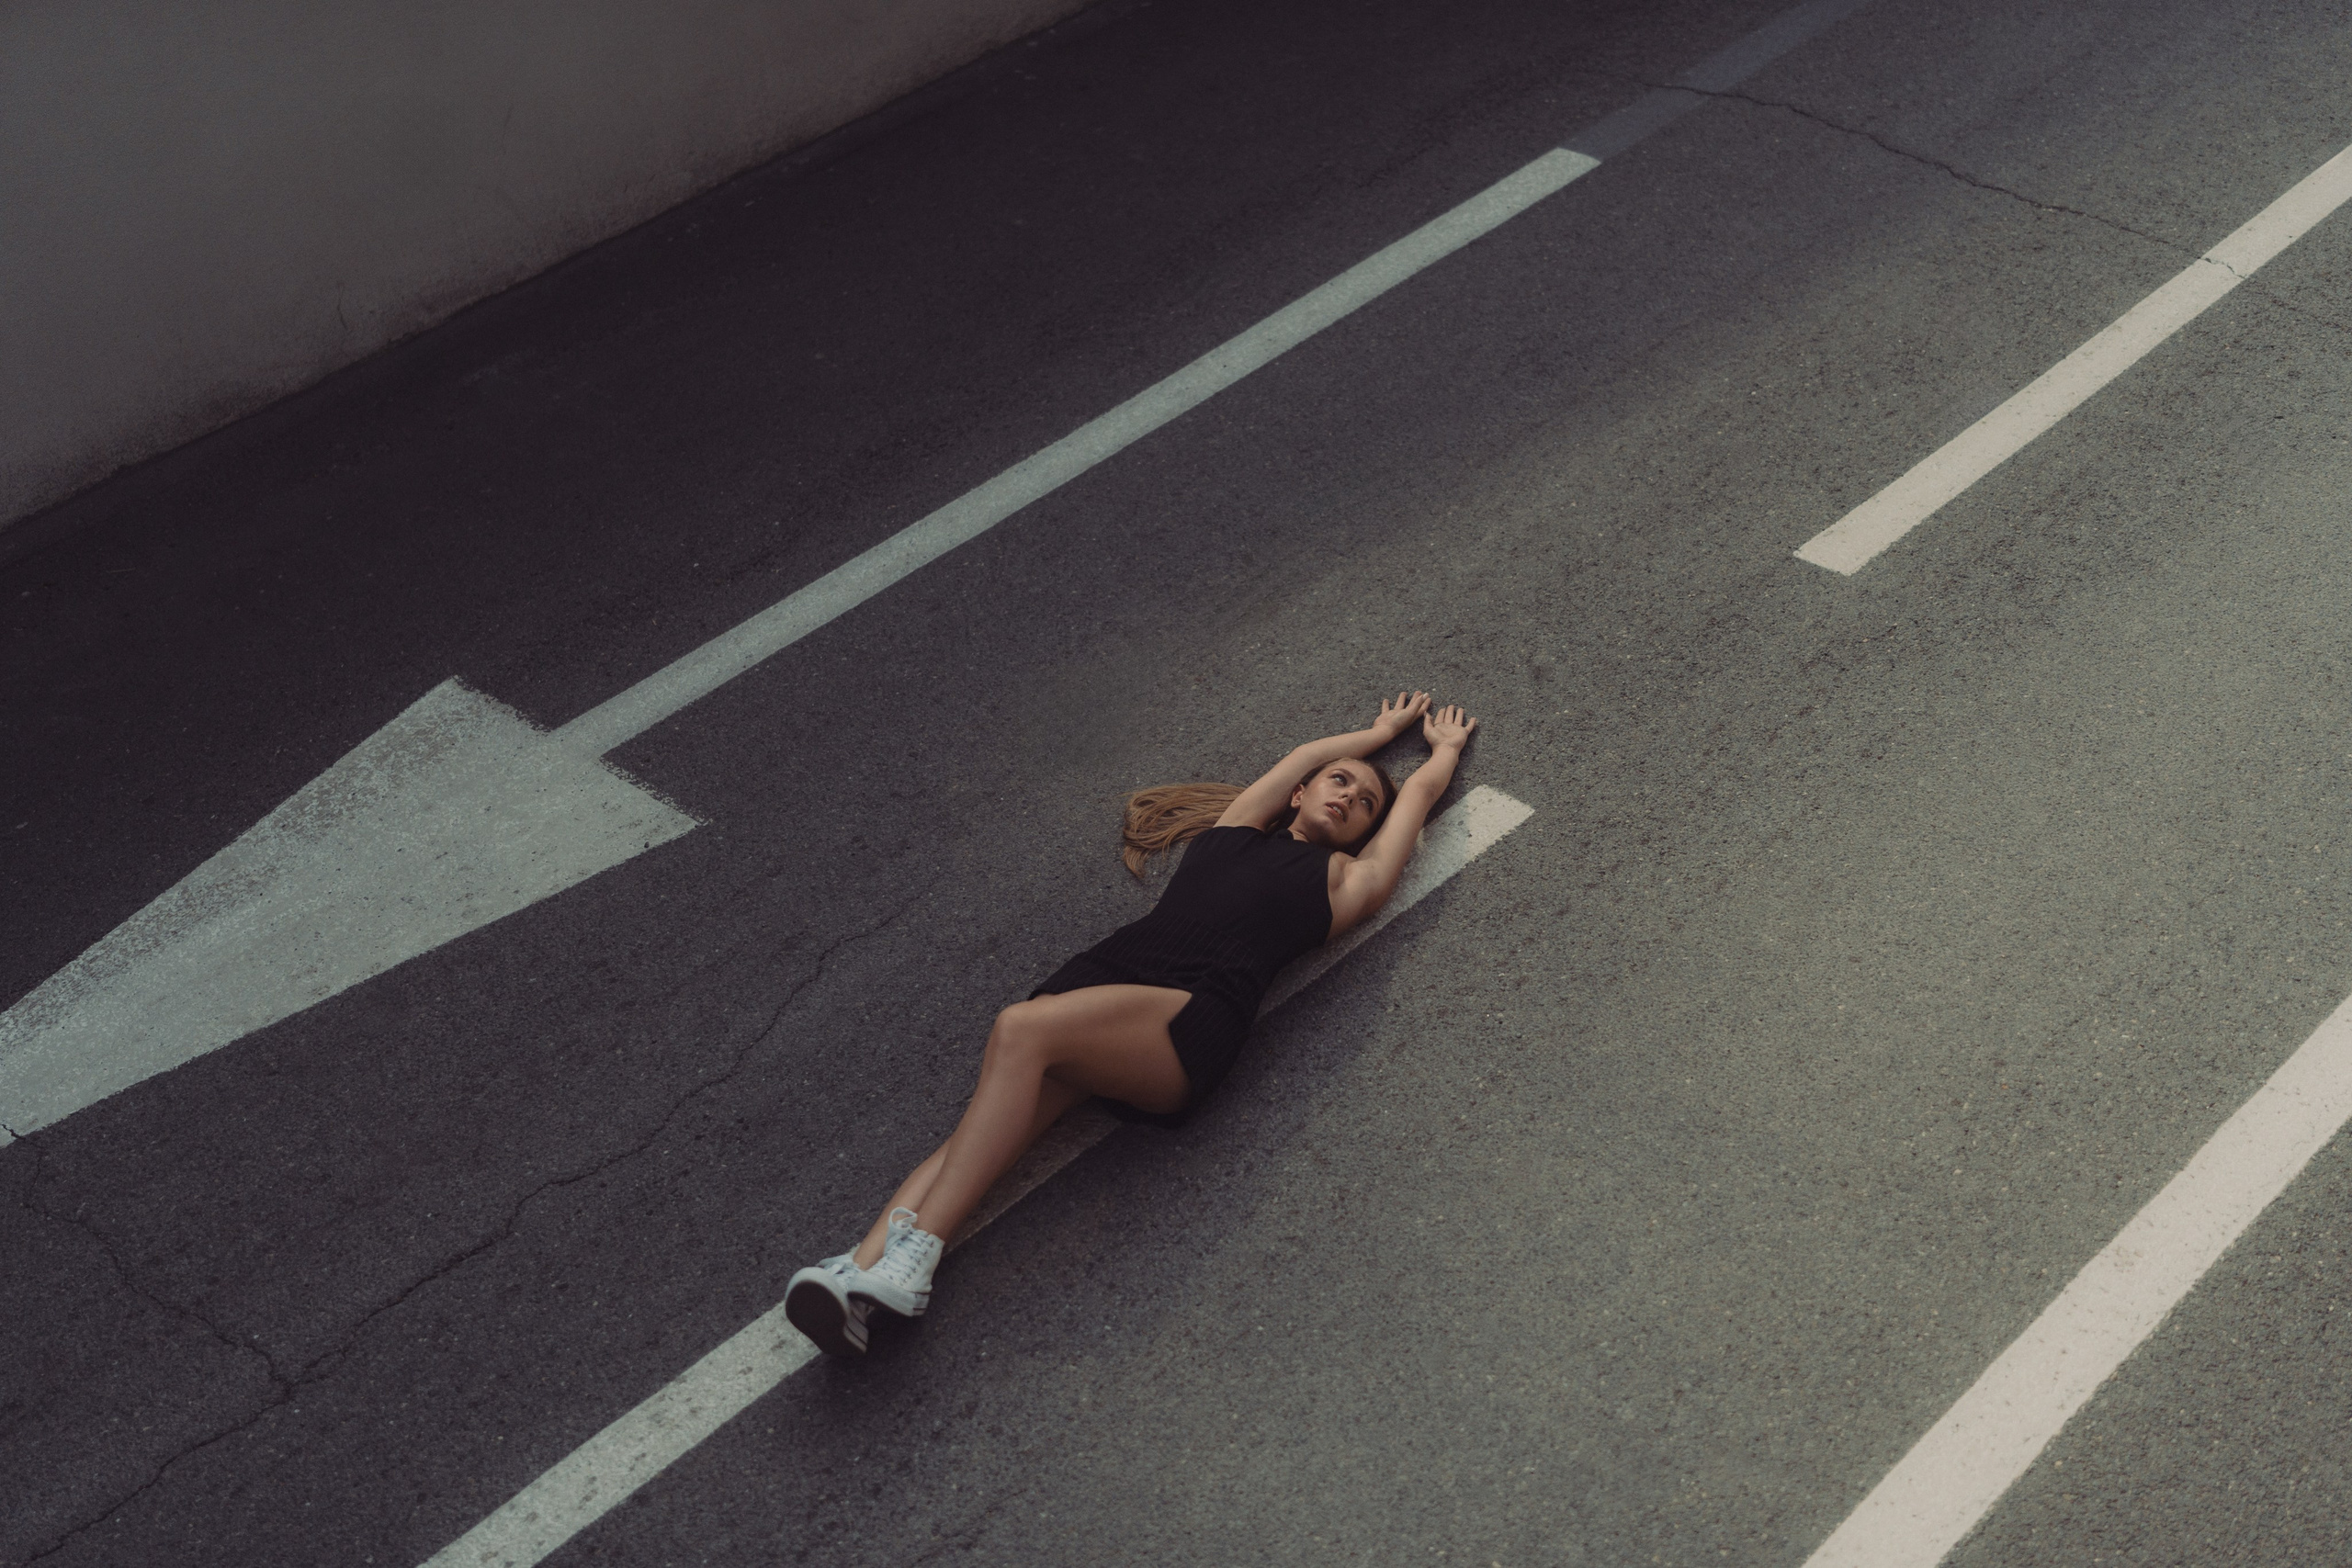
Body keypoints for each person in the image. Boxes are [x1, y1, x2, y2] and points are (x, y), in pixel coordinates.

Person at [785, 692, 1479, 1355]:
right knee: (969, 1139)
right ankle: (855, 1279)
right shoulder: (1233, 827)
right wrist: (1376, 737)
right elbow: (1303, 752)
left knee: (1021, 1029)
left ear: (1366, 831)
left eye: (1363, 804)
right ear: (1299, 791)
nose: (1349, 798)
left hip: (1193, 1015)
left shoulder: (1345, 882)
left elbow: (1412, 797)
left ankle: (909, 1268)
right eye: (1339, 782)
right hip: (1114, 977)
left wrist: (1440, 753)